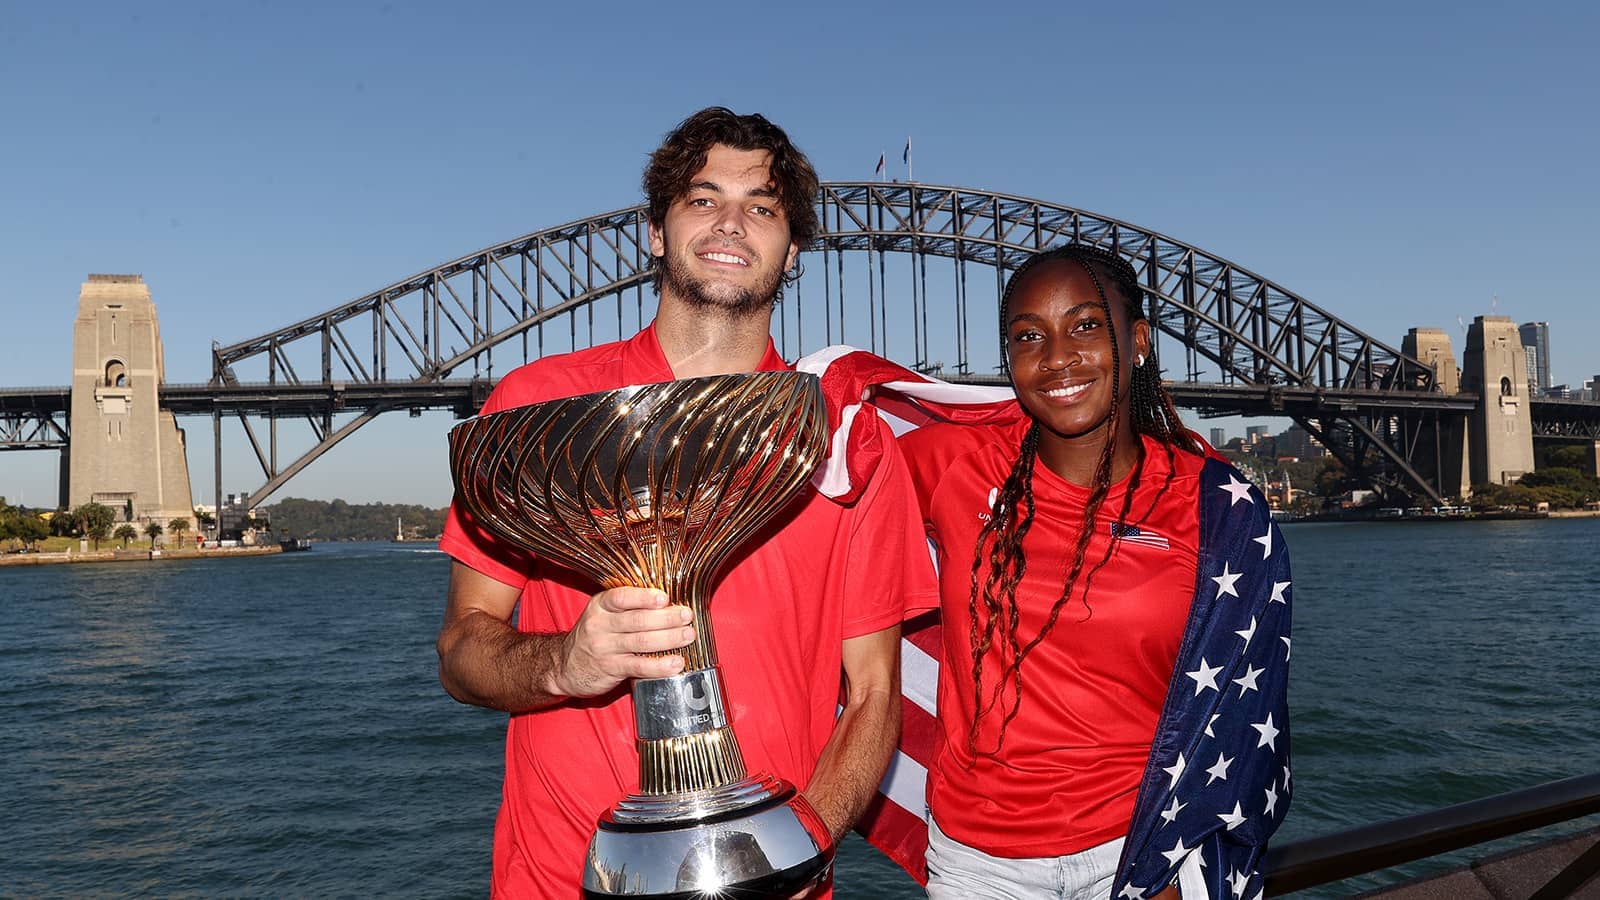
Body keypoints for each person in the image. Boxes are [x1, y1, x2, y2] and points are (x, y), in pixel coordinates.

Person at [435, 107, 938, 899]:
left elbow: (874, 694)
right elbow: (463, 653)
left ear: (792, 246)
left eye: (762, 207)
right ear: (654, 231)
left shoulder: (847, 439)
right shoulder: (536, 411)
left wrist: (803, 838)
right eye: (703, 200)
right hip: (560, 879)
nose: (731, 223)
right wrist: (566, 664)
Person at [807, 244, 1292, 898]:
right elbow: (821, 503)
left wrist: (1179, 867)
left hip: (1141, 850)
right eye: (1028, 336)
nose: (1058, 356)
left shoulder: (1214, 508)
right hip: (980, 864)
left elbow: (1240, 712)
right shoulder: (955, 461)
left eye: (1087, 326)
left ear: (1139, 341)